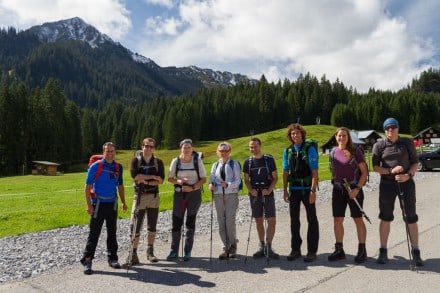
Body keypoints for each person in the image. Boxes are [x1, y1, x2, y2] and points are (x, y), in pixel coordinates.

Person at [372, 118, 424, 266]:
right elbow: (375, 167)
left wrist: (408, 175)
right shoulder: (379, 145)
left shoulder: (407, 142)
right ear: (384, 130)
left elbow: (415, 163)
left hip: (406, 183)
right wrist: (390, 170)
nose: (390, 130)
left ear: (397, 128)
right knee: (385, 217)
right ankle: (383, 250)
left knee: (411, 217)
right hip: (387, 184)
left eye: (393, 127)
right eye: (387, 128)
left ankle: (416, 252)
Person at [80, 142, 127, 275]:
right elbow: (87, 187)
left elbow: (120, 186)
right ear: (103, 152)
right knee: (94, 234)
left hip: (112, 204)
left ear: (115, 152)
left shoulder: (119, 167)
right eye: (107, 151)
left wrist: (123, 202)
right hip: (98, 204)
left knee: (112, 233)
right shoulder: (96, 166)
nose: (110, 153)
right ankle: (87, 260)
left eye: (112, 151)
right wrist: (89, 206)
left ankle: (113, 259)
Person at [328, 127, 368, 263]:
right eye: (339, 135)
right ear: (336, 137)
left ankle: (362, 250)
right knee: (337, 220)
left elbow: (364, 172)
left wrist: (357, 189)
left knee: (358, 219)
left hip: (354, 190)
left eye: (344, 135)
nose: (341, 138)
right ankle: (339, 250)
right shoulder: (333, 152)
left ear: (348, 137)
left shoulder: (356, 151)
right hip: (338, 190)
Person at [123, 138, 165, 266]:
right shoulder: (135, 160)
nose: (149, 149)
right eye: (147, 146)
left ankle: (150, 251)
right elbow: (136, 177)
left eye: (151, 147)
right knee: (135, 225)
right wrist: (153, 177)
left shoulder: (158, 162)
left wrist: (146, 181)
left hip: (153, 197)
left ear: (154, 148)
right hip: (139, 196)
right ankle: (133, 254)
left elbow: (161, 180)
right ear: (142, 147)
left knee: (152, 226)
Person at [282, 123, 319, 262]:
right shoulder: (288, 151)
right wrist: (285, 190)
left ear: (302, 134)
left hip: (307, 188)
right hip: (294, 190)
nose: (295, 135)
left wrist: (313, 190)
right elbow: (285, 172)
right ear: (290, 136)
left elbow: (315, 172)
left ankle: (311, 251)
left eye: (297, 133)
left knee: (312, 220)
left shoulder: (309, 149)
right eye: (292, 134)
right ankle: (295, 249)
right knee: (294, 221)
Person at [166, 138, 207, 261]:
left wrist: (193, 187)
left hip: (194, 194)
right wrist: (178, 181)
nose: (187, 149)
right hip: (179, 194)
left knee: (190, 222)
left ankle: (187, 251)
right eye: (185, 147)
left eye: (189, 147)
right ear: (181, 149)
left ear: (192, 148)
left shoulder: (197, 161)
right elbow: (169, 178)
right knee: (177, 221)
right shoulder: (176, 161)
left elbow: (204, 179)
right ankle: (174, 251)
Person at [243, 137, 279, 259]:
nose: (253, 149)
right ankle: (261, 246)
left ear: (260, 146)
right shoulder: (247, 162)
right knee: (258, 220)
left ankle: (269, 247)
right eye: (251, 147)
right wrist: (251, 190)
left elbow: (275, 178)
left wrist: (269, 190)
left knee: (271, 220)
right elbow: (246, 180)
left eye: (255, 146)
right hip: (255, 194)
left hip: (267, 193)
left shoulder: (269, 160)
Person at [208, 142, 241, 259]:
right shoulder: (215, 165)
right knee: (221, 223)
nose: (223, 153)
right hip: (217, 196)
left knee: (229, 222)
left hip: (231, 194)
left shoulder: (234, 164)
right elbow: (212, 179)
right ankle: (225, 247)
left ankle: (233, 244)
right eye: (221, 151)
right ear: (218, 152)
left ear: (229, 152)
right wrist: (210, 185)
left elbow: (238, 181)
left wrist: (228, 184)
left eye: (226, 151)